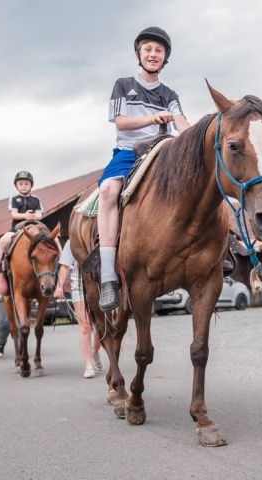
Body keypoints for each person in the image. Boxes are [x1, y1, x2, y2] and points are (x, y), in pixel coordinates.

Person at [97, 26, 190, 311]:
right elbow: (121, 122)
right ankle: (108, 276)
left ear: (165, 58)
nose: (153, 54)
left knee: (203, 182)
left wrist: (200, 134)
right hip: (129, 151)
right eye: (148, 49)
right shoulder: (123, 84)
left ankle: (223, 248)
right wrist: (152, 120)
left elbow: (182, 123)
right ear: (139, 54)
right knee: (108, 191)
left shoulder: (170, 93)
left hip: (164, 150)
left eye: (158, 50)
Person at [54, 240, 104, 378]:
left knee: (101, 326)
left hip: (101, 286)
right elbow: (64, 266)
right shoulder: (72, 242)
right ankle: (88, 365)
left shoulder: (99, 237)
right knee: (85, 327)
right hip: (79, 286)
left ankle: (94, 351)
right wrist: (59, 286)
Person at [0, 171, 43, 278]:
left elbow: (40, 215)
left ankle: (59, 264)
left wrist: (33, 216)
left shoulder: (36, 199)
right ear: (16, 186)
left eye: (26, 184)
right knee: (3, 241)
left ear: (31, 185)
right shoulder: (14, 198)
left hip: (35, 225)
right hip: (18, 226)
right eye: (21, 184)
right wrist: (25, 216)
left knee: (54, 239)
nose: (24, 186)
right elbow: (14, 214)